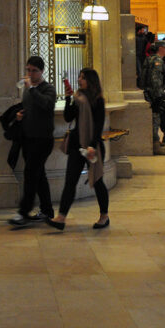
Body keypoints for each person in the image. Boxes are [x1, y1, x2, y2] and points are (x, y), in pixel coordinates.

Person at [45, 68, 109, 231]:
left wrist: (92, 145)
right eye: (79, 77)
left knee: (97, 180)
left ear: (91, 81)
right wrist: (67, 98)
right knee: (70, 180)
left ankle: (104, 216)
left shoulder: (98, 100)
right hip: (76, 145)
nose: (79, 80)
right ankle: (61, 217)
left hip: (92, 146)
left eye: (83, 78)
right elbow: (68, 117)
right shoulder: (77, 97)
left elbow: (98, 125)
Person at [8, 56, 56, 227]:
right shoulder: (28, 90)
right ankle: (47, 210)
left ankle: (23, 212)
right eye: (28, 70)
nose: (30, 73)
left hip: (42, 140)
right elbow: (29, 108)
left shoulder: (48, 88)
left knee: (30, 174)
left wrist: (33, 90)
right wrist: (20, 116)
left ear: (41, 71)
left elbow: (47, 105)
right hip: (28, 139)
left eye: (34, 70)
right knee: (38, 175)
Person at [141, 40, 165, 155]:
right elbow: (156, 80)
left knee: (155, 119)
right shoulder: (158, 61)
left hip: (147, 93)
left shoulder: (149, 58)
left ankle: (159, 141)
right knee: (156, 120)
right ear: (160, 49)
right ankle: (155, 145)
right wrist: (159, 97)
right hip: (154, 95)